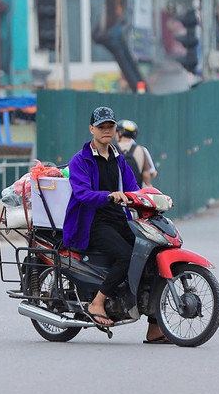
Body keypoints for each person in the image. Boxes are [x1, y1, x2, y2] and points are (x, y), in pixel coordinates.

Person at [63, 106, 167, 343]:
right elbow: (82, 194)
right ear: (92, 129)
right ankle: (97, 302)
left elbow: (133, 188)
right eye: (101, 127)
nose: (106, 130)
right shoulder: (80, 160)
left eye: (110, 126)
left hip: (120, 219)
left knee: (152, 256)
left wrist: (150, 198)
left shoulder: (119, 158)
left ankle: (154, 328)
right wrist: (109, 195)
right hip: (92, 222)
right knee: (126, 256)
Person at [115, 119, 156, 187]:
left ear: (120, 133)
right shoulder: (142, 150)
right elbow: (147, 174)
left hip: (115, 194)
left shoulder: (111, 149)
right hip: (134, 193)